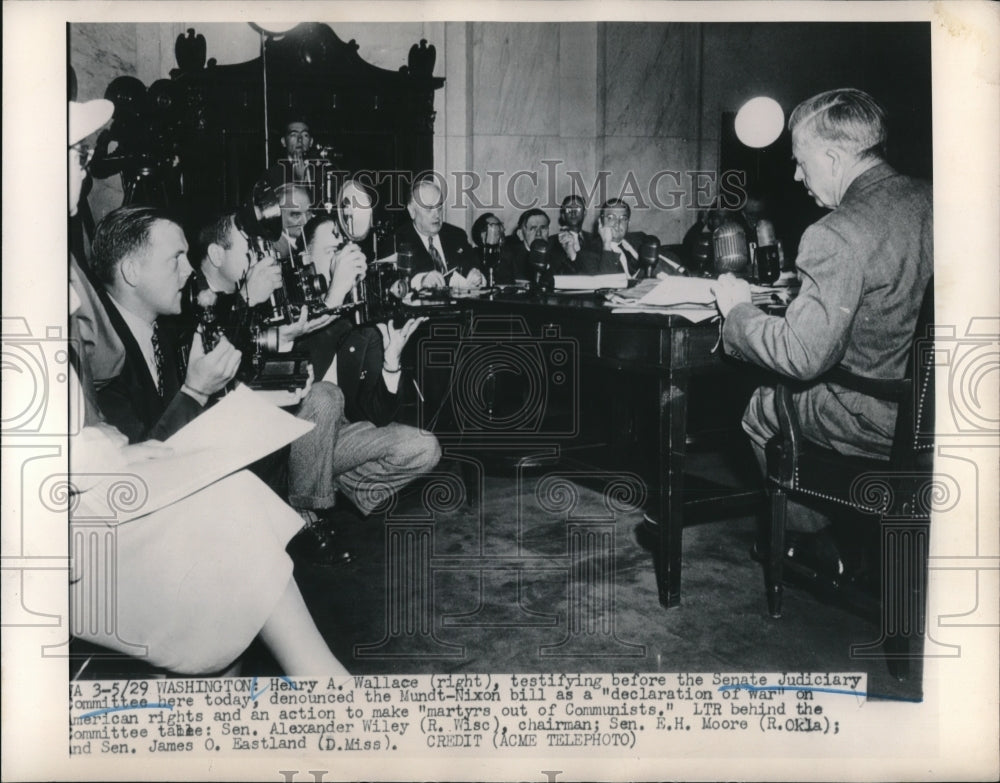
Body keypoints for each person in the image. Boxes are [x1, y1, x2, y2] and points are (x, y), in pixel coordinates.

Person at [67, 99, 349, 676]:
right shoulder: (107, 351)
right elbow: (135, 459)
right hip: (99, 530)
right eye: (175, 260)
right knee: (243, 495)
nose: (188, 271)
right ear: (131, 272)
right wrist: (197, 392)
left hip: (132, 496)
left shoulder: (162, 333)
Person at [714, 88, 933, 573]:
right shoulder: (936, 199)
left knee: (761, 408)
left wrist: (736, 312)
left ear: (833, 157)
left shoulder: (836, 231)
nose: (796, 176)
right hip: (942, 417)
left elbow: (800, 354)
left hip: (878, 421)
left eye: (801, 162)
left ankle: (814, 540)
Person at [394, 178, 482, 290]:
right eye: (429, 209)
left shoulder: (456, 235)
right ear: (412, 211)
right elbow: (394, 282)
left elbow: (473, 265)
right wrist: (421, 280)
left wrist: (476, 275)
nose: (437, 215)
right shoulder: (398, 240)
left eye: (439, 207)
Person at [575, 198, 664, 277]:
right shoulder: (587, 253)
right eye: (611, 218)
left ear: (628, 223)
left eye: (623, 218)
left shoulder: (640, 240)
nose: (617, 223)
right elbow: (606, 285)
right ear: (600, 222)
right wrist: (607, 245)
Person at [495, 208, 550, 284]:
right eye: (533, 228)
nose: (538, 233)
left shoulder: (557, 255)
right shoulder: (508, 257)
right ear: (520, 234)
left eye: (543, 228)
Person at [547, 194, 592, 273]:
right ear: (563, 215)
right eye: (568, 209)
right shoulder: (550, 243)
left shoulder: (595, 240)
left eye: (577, 208)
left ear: (585, 213)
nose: (573, 212)